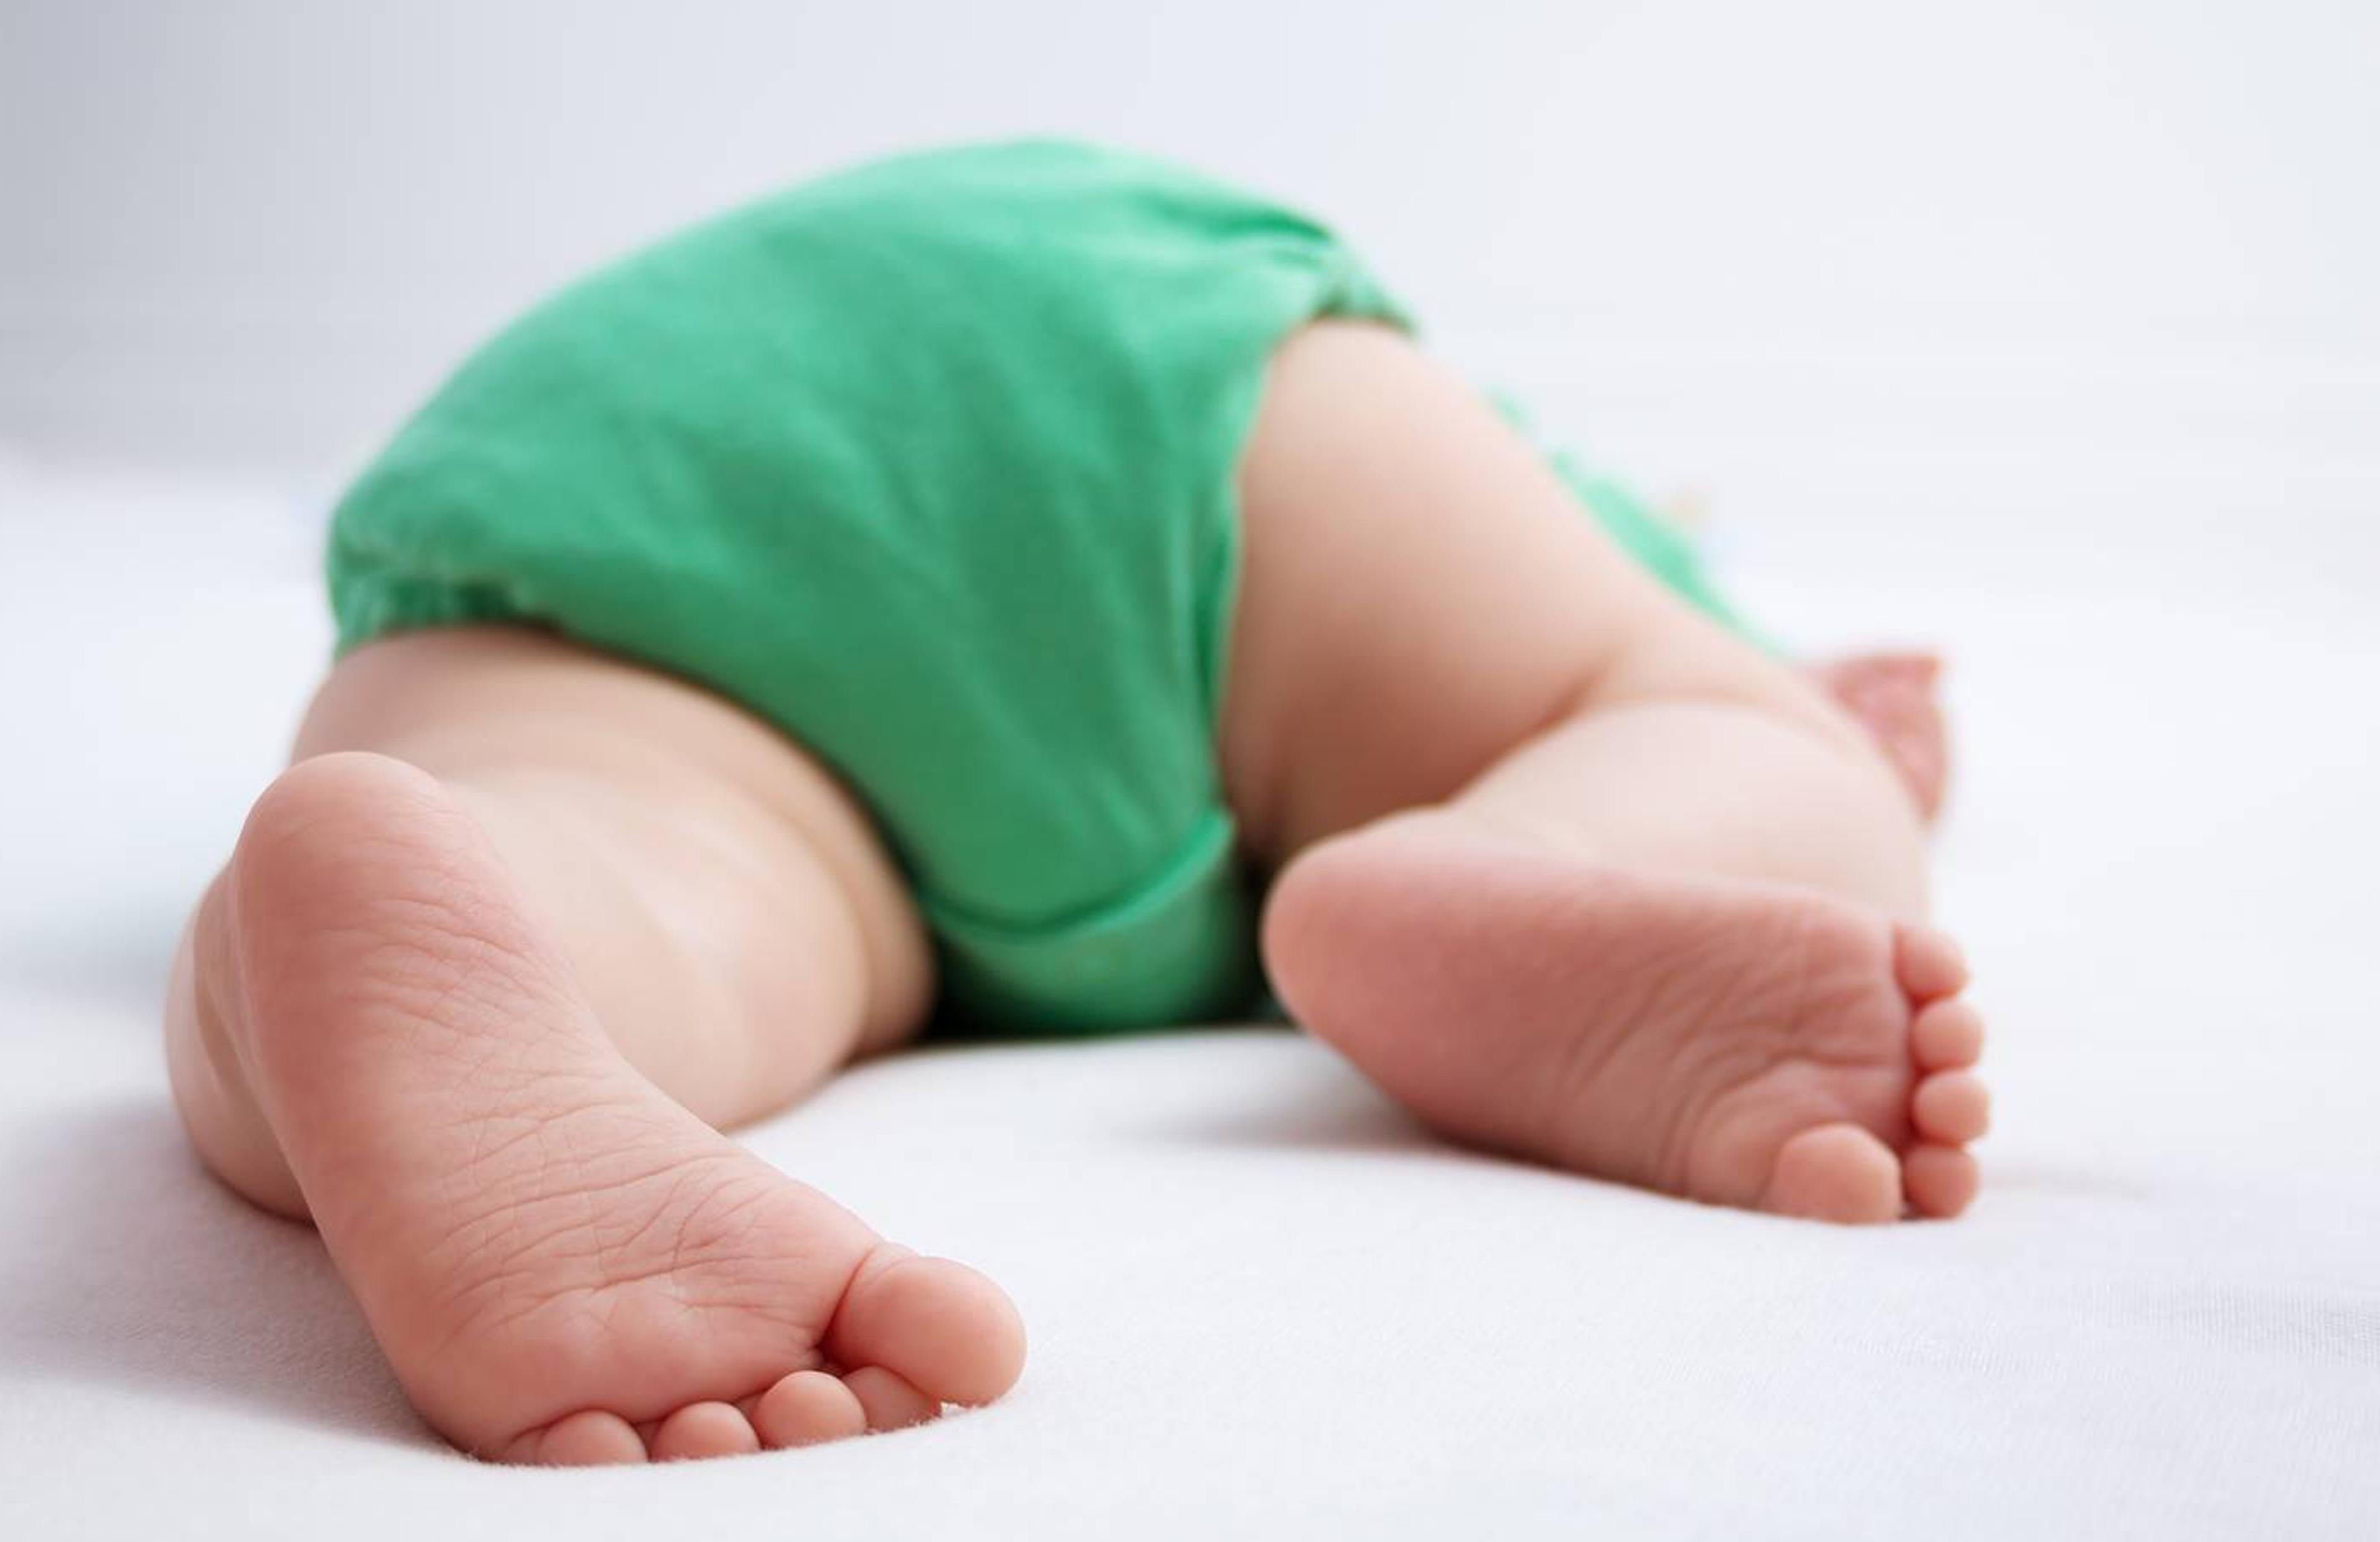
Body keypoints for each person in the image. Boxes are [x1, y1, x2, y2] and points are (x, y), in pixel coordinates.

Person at [163, 141, 1986, 1466]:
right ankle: (1515, 862)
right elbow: (1690, 650)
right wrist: (1816, 733)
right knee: (1696, 726)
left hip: (597, 485)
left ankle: (409, 896)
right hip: (1179, 395)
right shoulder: (1571, 508)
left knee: (667, 897)